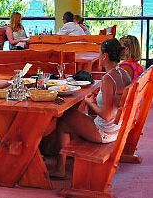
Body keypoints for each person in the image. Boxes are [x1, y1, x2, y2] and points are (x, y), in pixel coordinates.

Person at [52, 38, 132, 178]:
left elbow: (106, 115)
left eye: (99, 54)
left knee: (64, 117)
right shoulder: (123, 73)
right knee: (71, 119)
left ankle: (60, 169)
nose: (99, 57)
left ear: (105, 56)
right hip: (116, 129)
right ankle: (66, 159)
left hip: (105, 132)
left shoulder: (108, 78)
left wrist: (90, 102)